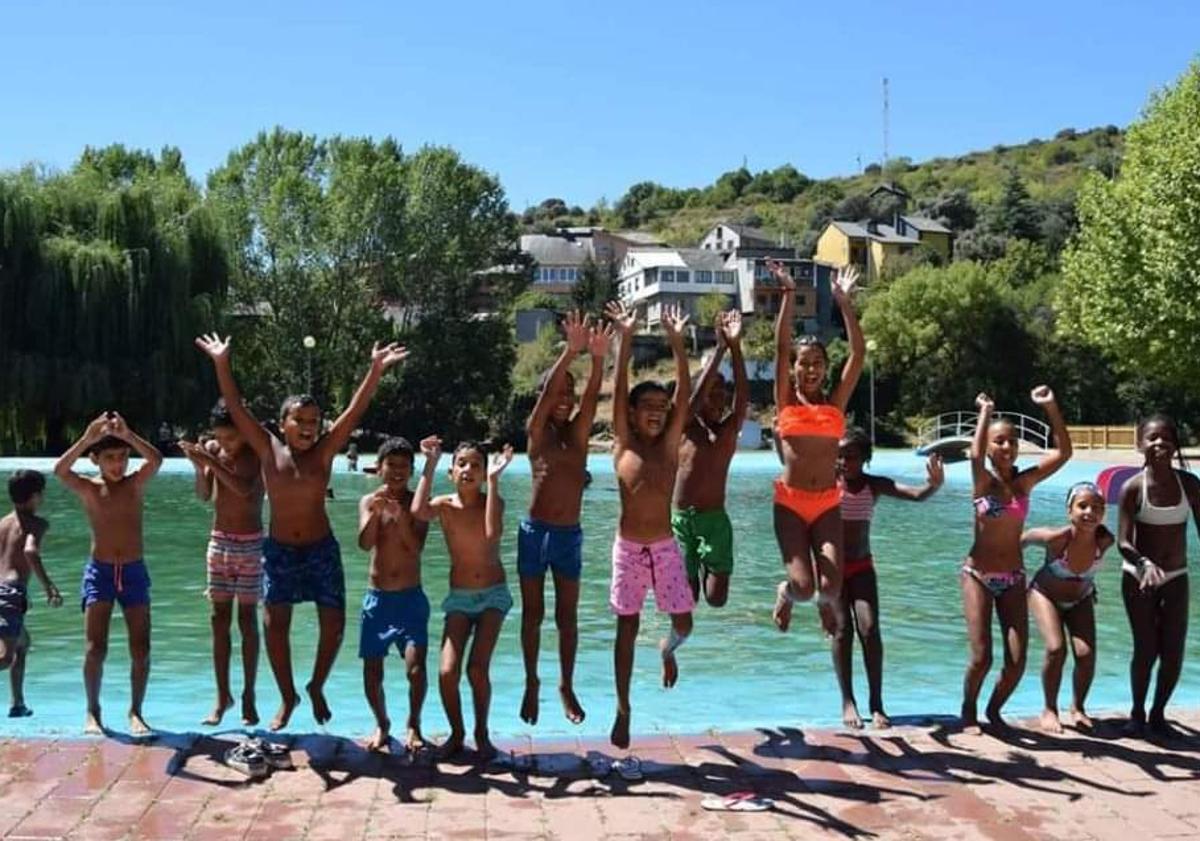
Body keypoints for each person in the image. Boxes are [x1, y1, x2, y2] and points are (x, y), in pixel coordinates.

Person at [195, 332, 408, 730]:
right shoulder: (268, 450)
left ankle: (317, 685)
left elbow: (355, 411)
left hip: (320, 549)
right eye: (300, 421)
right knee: (274, 625)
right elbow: (238, 409)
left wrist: (375, 370)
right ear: (282, 424)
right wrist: (221, 363)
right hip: (278, 551)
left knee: (335, 623)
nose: (309, 427)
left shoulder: (326, 451)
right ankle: (288, 695)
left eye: (314, 421)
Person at [604, 300, 694, 751]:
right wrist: (625, 338)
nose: (657, 411)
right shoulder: (624, 445)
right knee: (626, 628)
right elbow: (618, 390)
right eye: (648, 406)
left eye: (663, 405)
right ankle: (623, 708)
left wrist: (678, 343)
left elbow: (686, 395)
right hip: (628, 550)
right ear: (634, 414)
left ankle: (667, 651)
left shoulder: (670, 446)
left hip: (663, 547)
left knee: (685, 623)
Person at [961, 389, 1070, 733]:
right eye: (1000, 442)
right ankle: (968, 710)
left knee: (1017, 661)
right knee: (982, 658)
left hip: (1013, 578)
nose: (1006, 447)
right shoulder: (982, 482)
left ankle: (994, 710)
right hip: (977, 575)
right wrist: (985, 413)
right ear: (991, 448)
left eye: (1012, 442)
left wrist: (1050, 407)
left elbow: (1064, 452)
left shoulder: (1025, 483)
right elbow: (975, 455)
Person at [519, 310, 610, 727]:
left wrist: (594, 360)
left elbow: (591, 397)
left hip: (568, 535)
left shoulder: (577, 435)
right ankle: (531, 680)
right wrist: (567, 354)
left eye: (568, 394)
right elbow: (544, 402)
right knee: (533, 614)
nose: (566, 399)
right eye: (558, 392)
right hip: (534, 533)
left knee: (567, 617)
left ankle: (565, 683)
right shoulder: (537, 431)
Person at [54, 412, 163, 736]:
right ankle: (93, 710)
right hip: (99, 573)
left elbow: (155, 460)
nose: (118, 464)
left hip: (133, 573)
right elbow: (60, 470)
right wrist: (87, 439)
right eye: (110, 458)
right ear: (96, 460)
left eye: (122, 457)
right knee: (95, 648)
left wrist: (129, 436)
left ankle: (136, 712)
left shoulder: (134, 484)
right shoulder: (89, 488)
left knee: (141, 648)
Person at [769, 261, 863, 637]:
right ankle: (786, 593)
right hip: (790, 503)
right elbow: (779, 348)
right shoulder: (786, 403)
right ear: (793, 369)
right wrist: (789, 294)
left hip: (826, 502)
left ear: (826, 368)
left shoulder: (834, 404)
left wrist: (844, 303)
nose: (811, 370)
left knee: (832, 588)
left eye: (818, 364)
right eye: (804, 364)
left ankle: (824, 605)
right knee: (805, 587)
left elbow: (857, 355)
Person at [833, 428, 943, 729]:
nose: (844, 462)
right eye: (839, 455)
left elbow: (917, 495)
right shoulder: (828, 485)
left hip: (862, 566)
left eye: (851, 456)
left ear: (865, 459)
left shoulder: (874, 485)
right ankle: (848, 701)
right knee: (842, 631)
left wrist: (933, 485)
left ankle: (877, 703)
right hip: (833, 570)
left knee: (869, 630)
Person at [412, 437, 514, 760]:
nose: (468, 469)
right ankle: (457, 733)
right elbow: (417, 510)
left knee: (477, 669)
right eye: (462, 464)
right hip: (459, 597)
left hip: (493, 596)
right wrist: (429, 463)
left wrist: (495, 482)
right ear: (451, 472)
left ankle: (482, 733)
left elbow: (491, 535)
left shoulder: (493, 502)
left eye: (476, 465)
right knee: (446, 671)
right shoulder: (443, 506)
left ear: (485, 474)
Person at [179, 399, 265, 727]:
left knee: (246, 620)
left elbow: (243, 489)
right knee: (218, 619)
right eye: (221, 437)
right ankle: (222, 695)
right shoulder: (214, 450)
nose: (225, 443)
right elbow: (204, 495)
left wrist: (209, 461)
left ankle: (248, 695)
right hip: (220, 541)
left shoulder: (254, 452)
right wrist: (197, 465)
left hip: (250, 543)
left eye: (231, 438)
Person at [1116, 414, 1200, 738]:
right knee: (1146, 647)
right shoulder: (1132, 488)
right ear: (1140, 445)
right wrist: (1142, 563)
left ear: (1176, 444)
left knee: (1174, 650)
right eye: (1151, 437)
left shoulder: (1190, 485)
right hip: (1139, 576)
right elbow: (1123, 541)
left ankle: (1159, 713)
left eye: (1166, 437)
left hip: (1177, 575)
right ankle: (1136, 713)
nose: (1159, 442)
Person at [357, 437, 431, 753]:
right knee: (372, 670)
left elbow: (415, 548)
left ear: (412, 470)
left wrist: (399, 517)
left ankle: (414, 723)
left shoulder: (418, 505)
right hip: (378, 600)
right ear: (380, 468)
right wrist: (377, 512)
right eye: (392, 465)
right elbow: (363, 543)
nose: (397, 472)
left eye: (404, 466)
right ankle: (382, 723)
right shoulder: (367, 501)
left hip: (410, 599)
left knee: (415, 668)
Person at [673, 310, 749, 608]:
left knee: (716, 599)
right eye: (710, 392)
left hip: (714, 521)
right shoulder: (684, 427)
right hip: (681, 521)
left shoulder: (728, 431)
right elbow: (690, 405)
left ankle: (706, 563)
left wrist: (736, 347)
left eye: (722, 392)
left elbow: (742, 398)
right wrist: (719, 350)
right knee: (687, 598)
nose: (718, 398)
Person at [1022, 482, 1113, 734]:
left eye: (1096, 508)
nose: (1089, 512)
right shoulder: (1055, 538)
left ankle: (1078, 708)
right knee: (1055, 649)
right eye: (1082, 506)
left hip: (1081, 598)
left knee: (1086, 655)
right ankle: (1049, 709)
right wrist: (1011, 572)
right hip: (1045, 594)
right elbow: (1022, 539)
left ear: (1103, 513)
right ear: (1069, 510)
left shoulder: (1104, 541)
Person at [0, 470, 63, 718]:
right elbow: (30, 552)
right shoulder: (37, 523)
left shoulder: (3, 523)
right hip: (11, 592)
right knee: (5, 658)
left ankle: (18, 704)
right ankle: (17, 702)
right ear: (36, 496)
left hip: (4, 592)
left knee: (23, 644)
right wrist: (48, 586)